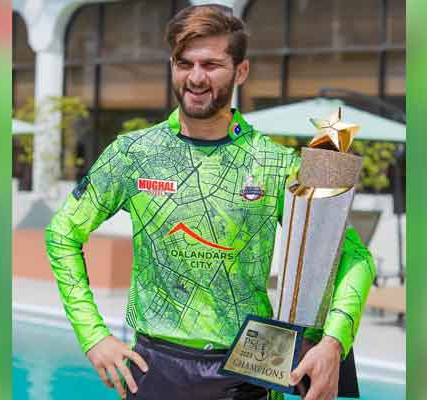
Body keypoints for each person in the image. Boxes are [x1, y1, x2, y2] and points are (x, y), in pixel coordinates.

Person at [46, 4, 375, 400]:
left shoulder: (273, 162)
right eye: (184, 63)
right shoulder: (134, 153)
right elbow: (62, 232)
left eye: (211, 64)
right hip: (155, 368)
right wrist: (93, 335)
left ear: (241, 71)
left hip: (249, 371)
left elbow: (355, 258)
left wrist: (332, 343)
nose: (196, 78)